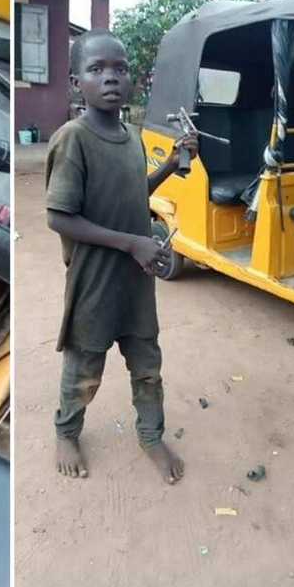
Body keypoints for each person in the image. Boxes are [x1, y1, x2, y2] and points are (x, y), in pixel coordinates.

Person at [45, 30, 198, 485]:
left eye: (120, 68)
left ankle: (151, 436)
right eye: (96, 70)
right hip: (95, 281)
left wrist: (171, 165)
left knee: (147, 366)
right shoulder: (73, 138)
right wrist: (133, 243)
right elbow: (59, 217)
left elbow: (134, 196)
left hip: (136, 282)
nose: (110, 78)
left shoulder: (132, 138)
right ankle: (66, 432)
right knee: (83, 369)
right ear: (77, 83)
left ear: (132, 78)